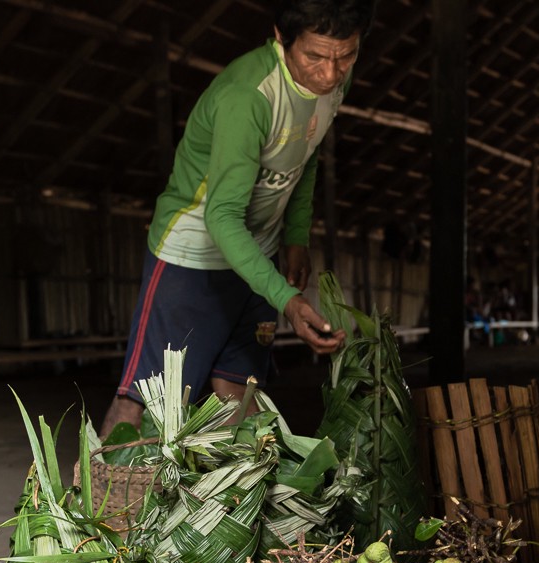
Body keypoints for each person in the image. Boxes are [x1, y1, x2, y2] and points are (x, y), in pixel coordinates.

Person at [101, 0, 373, 435]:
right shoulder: (248, 97)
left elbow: (307, 152)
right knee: (144, 402)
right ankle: (102, 501)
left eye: (346, 56)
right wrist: (286, 298)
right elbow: (222, 216)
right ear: (281, 37)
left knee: (240, 392)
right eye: (315, 57)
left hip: (257, 257)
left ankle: (240, 501)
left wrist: (295, 237)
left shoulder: (335, 79)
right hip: (191, 256)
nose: (329, 74)